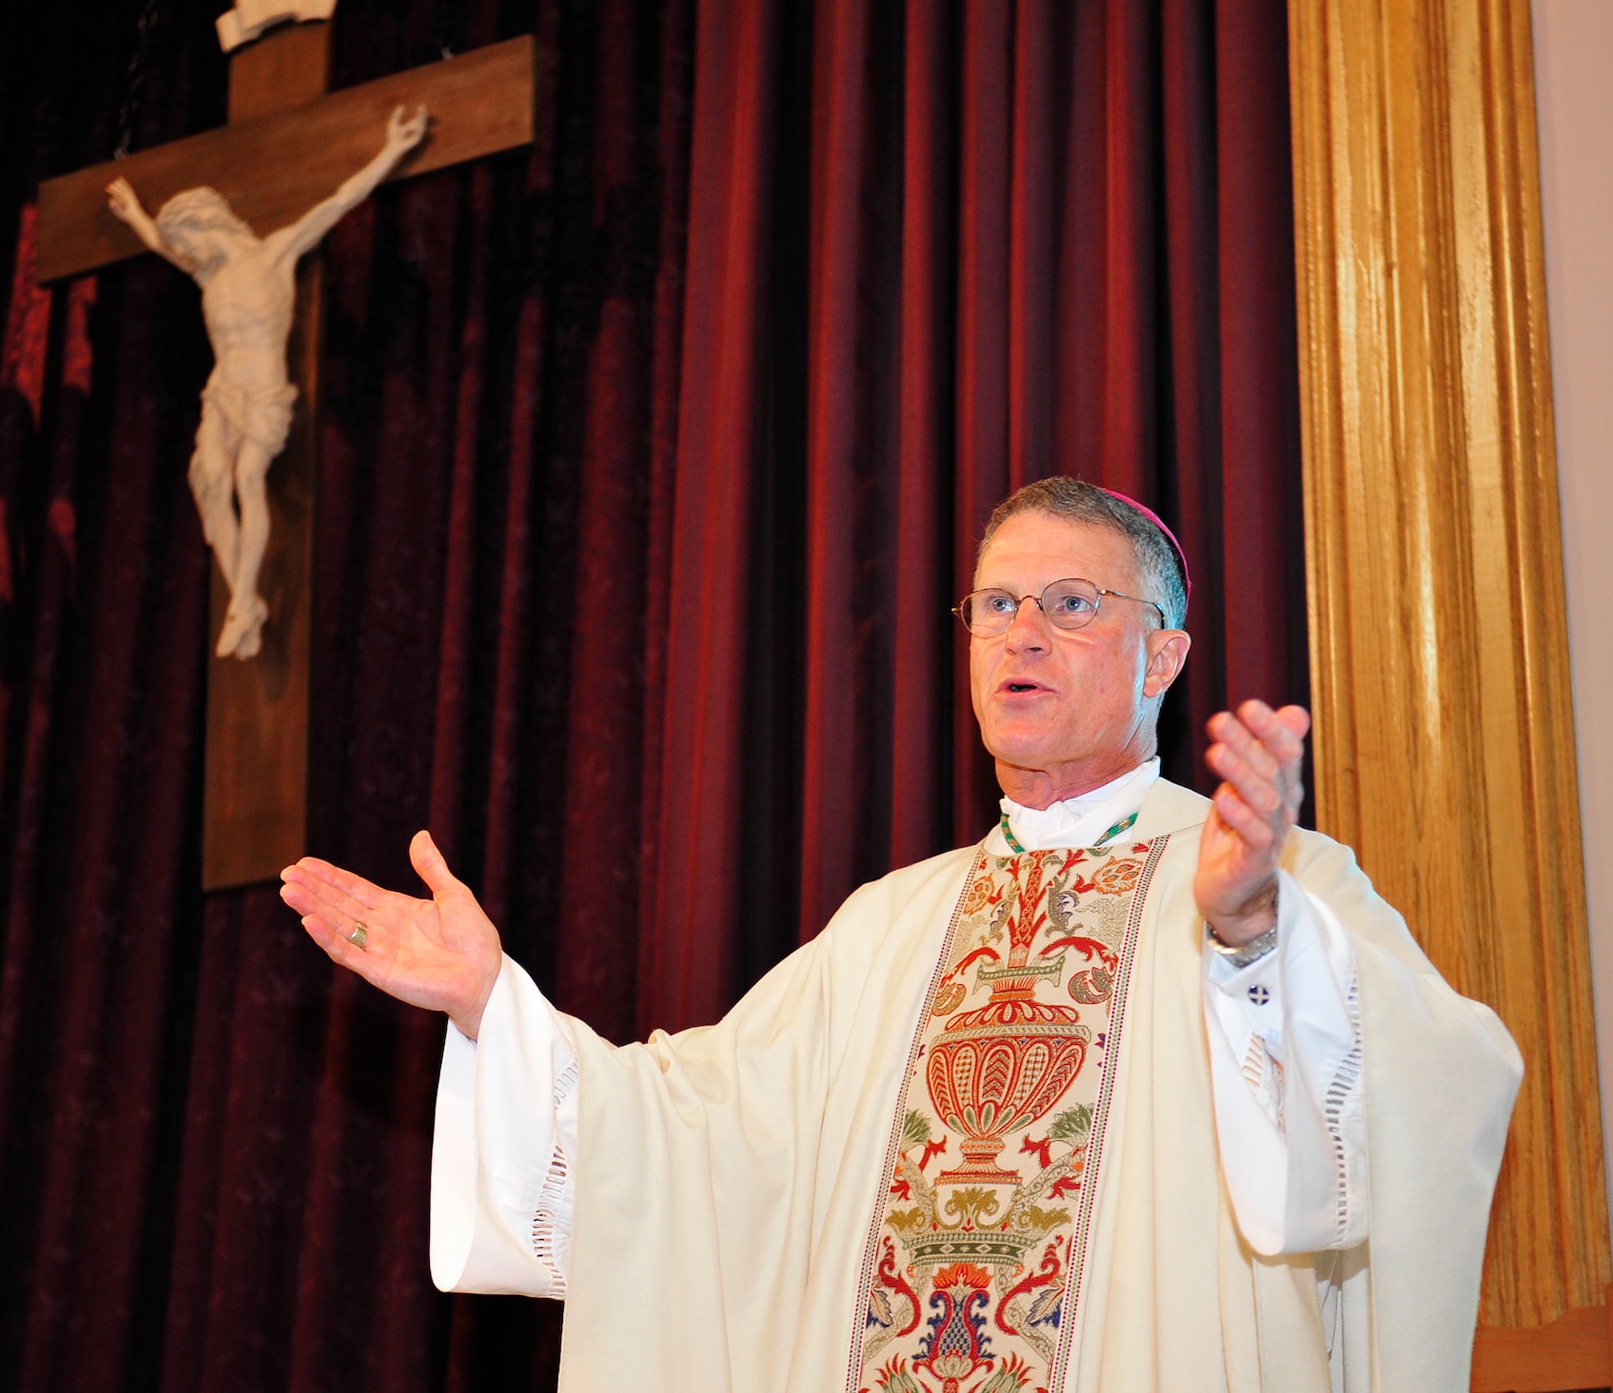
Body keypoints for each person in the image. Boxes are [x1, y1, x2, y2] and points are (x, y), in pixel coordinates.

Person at [282, 477, 1520, 1392]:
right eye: (993, 605)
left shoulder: (1270, 876)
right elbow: (691, 1140)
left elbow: (1436, 1087)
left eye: (1070, 604)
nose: (1019, 634)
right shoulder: (891, 926)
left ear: (1164, 654)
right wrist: (493, 1006)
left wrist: (1253, 939)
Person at [106, 105, 429, 658]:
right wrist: (137, 213)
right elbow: (161, 246)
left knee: (248, 477)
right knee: (211, 481)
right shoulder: (208, 272)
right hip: (222, 390)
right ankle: (245, 601)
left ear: (212, 225)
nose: (189, 252)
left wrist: (392, 151)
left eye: (192, 239)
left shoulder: (274, 252)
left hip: (262, 391)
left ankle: (243, 604)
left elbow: (339, 201)